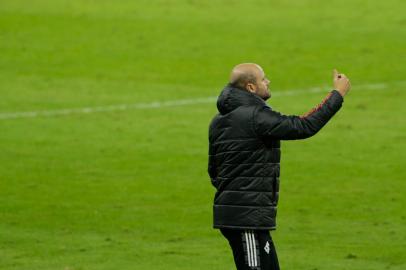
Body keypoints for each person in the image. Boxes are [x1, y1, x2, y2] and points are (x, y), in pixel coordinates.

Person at [208, 63, 350, 270]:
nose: (268, 81)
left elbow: (214, 171)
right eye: (263, 78)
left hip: (244, 215)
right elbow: (303, 126)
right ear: (250, 87)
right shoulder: (254, 116)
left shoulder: (219, 121)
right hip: (246, 219)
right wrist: (337, 95)